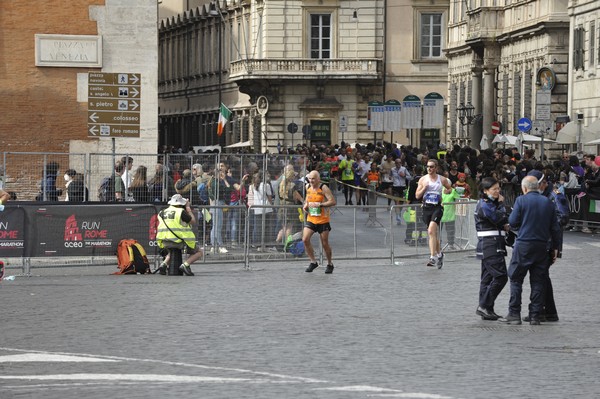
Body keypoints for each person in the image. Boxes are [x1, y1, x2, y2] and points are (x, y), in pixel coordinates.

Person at [499, 176, 561, 325]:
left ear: (524, 188)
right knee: (538, 281)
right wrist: (555, 248)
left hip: (524, 245)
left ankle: (514, 313)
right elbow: (555, 228)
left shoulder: (521, 200)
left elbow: (513, 222)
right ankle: (535, 315)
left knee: (516, 278)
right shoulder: (548, 202)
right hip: (542, 246)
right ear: (538, 187)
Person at [474, 177, 510, 321]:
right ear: (485, 191)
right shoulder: (485, 204)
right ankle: (484, 305)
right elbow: (498, 218)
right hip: (490, 245)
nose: (497, 191)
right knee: (501, 276)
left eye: (498, 188)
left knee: (487, 279)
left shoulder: (490, 203)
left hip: (493, 244)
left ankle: (487, 309)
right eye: (494, 189)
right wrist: (501, 205)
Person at [415, 159, 453, 268]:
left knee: (431, 230)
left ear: (436, 168)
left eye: (431, 167)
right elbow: (417, 196)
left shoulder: (441, 179)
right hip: (427, 208)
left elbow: (449, 188)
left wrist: (446, 191)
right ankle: (440, 254)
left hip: (437, 207)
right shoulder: (423, 180)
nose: (429, 169)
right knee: (432, 234)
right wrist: (424, 188)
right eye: (427, 166)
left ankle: (433, 257)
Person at [155, 194, 203, 276]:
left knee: (172, 250)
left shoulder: (162, 212)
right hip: (178, 241)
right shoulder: (181, 212)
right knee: (199, 252)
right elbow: (193, 221)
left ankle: (163, 264)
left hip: (164, 241)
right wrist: (188, 208)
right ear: (181, 204)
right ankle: (185, 265)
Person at [303, 170, 336, 274]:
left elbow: (332, 201)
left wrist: (320, 205)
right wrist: (306, 205)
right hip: (311, 218)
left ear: (318, 179)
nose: (311, 180)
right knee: (305, 239)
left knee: (324, 243)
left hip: (323, 220)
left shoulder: (323, 187)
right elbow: (307, 199)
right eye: (310, 178)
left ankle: (330, 264)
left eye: (313, 178)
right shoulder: (307, 187)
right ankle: (313, 262)